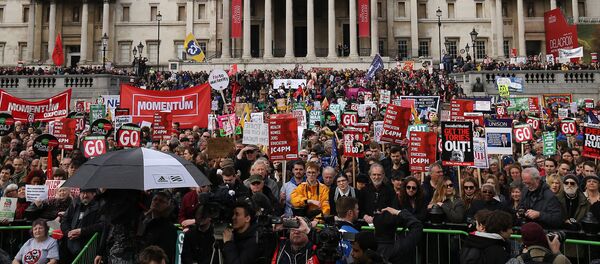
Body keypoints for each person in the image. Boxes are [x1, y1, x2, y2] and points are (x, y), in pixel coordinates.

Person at [60, 189, 103, 263]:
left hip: (88, 245)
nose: (85, 195)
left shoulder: (100, 206)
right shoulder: (74, 204)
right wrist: (68, 232)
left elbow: (101, 225)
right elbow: (64, 220)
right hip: (69, 243)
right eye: (83, 193)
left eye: (88, 193)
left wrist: (82, 231)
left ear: (94, 194)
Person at [506, 222, 571, 264]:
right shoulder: (559, 259)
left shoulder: (519, 260)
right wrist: (557, 253)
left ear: (524, 240)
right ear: (543, 236)